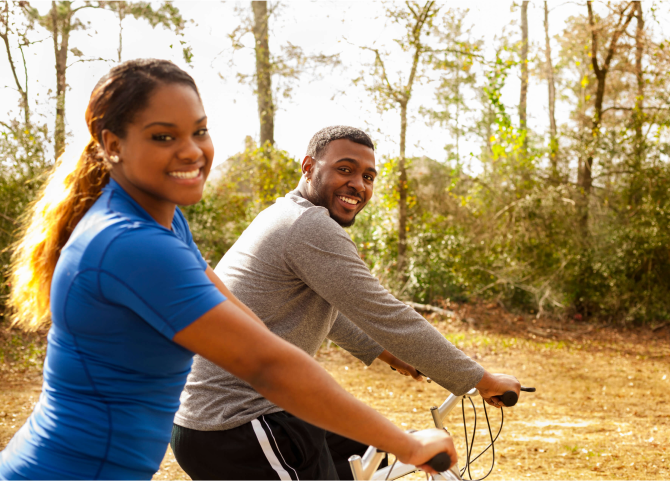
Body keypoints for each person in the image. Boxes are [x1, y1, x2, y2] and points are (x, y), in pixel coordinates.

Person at [0, 61, 457, 481]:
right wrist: (406, 443)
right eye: (164, 136)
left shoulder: (162, 220)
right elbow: (268, 365)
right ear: (114, 146)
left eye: (199, 131)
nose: (192, 151)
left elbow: (250, 327)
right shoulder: (132, 244)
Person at [172, 126, 521, 480]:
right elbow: (385, 314)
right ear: (308, 167)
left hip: (240, 415)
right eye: (345, 169)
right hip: (239, 423)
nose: (359, 184)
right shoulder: (309, 226)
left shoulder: (285, 213)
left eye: (368, 176)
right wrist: (481, 379)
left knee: (369, 452)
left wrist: (387, 353)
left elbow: (332, 312)